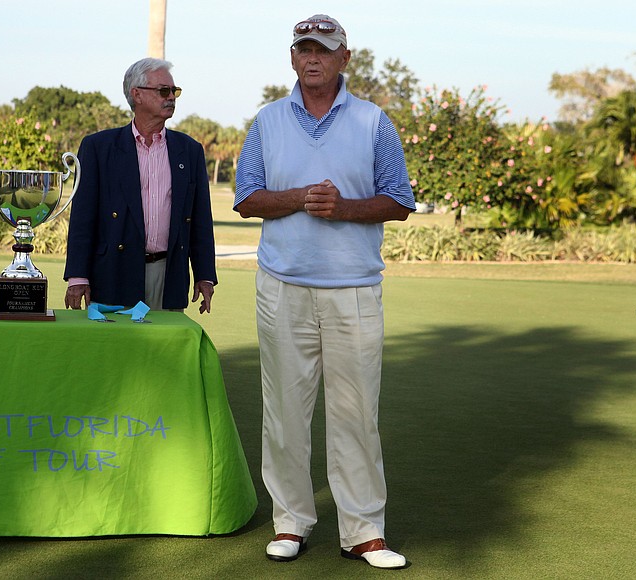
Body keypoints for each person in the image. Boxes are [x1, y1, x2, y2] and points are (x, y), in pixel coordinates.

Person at [234, 14, 414, 570]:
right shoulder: (267, 121)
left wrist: (344, 208)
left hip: (353, 289)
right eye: (303, 48)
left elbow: (399, 200)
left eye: (323, 49)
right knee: (285, 412)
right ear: (292, 58)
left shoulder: (373, 122)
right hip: (283, 285)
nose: (312, 57)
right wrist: (299, 197)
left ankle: (363, 531)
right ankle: (290, 522)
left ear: (344, 59)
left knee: (356, 413)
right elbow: (246, 197)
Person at [64, 58, 217, 314]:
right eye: (163, 91)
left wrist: (205, 275)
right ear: (137, 95)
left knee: (165, 351)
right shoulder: (98, 148)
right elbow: (82, 217)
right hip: (113, 273)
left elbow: (200, 219)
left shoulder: (189, 150)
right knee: (116, 352)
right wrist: (78, 276)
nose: (171, 97)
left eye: (174, 91)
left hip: (169, 275)